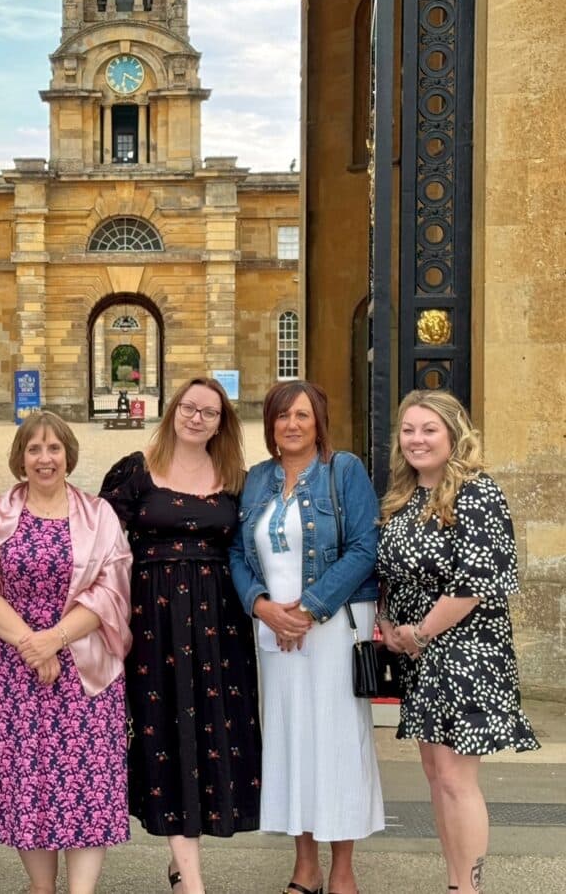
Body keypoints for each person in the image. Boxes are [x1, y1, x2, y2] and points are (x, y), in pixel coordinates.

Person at [99, 377, 261, 894]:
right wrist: (110, 620)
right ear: (172, 411)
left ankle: (184, 856)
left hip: (220, 620)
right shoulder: (135, 470)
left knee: (210, 734)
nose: (197, 418)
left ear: (221, 423)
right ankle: (191, 877)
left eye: (209, 413)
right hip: (152, 618)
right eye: (189, 408)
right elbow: (102, 550)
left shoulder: (237, 477)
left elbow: (254, 546)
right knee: (162, 729)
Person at [376, 389, 539, 894]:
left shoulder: (476, 492)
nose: (417, 439)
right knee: (435, 773)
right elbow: (389, 574)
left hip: (466, 652)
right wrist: (391, 626)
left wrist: (418, 632)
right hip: (419, 654)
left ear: (453, 434)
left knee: (455, 777)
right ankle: (454, 882)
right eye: (409, 430)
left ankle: (466, 889)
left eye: (429, 430)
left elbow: (472, 585)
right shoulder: (403, 497)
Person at [0, 412, 132, 894]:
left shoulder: (99, 515)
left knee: (84, 781)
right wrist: (30, 645)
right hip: (16, 672)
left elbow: (111, 588)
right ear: (20, 457)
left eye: (54, 449)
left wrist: (54, 639)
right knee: (28, 782)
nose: (44, 458)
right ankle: (42, 887)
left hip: (85, 669)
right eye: (34, 449)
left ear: (68, 455)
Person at [229, 380, 384, 894]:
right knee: (291, 742)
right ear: (270, 425)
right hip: (275, 633)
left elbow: (364, 547)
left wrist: (311, 609)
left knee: (336, 743)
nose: (290, 425)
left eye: (301, 415)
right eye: (280, 416)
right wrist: (263, 606)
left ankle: (342, 871)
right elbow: (236, 552)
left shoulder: (345, 471)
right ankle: (305, 868)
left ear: (318, 420)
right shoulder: (255, 481)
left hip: (334, 626)